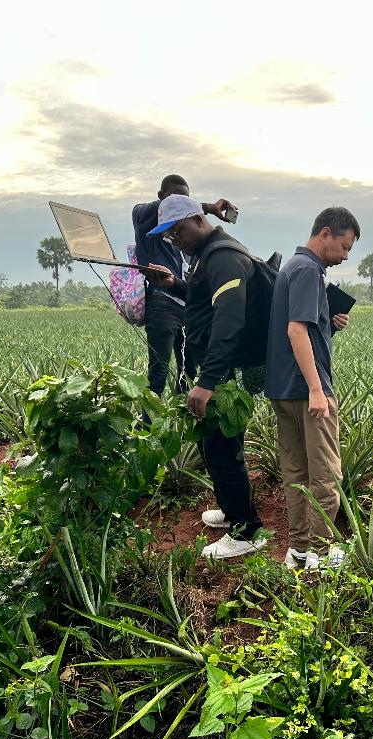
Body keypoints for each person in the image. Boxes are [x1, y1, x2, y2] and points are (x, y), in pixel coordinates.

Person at [142, 194, 269, 559]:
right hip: (217, 370)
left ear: (199, 220)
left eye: (177, 231)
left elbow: (229, 320)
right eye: (168, 235)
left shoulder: (224, 257)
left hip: (225, 374)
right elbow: (205, 304)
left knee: (223, 446)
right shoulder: (205, 257)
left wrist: (208, 381)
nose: (174, 239)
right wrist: (174, 285)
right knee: (212, 443)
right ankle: (232, 513)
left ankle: (248, 530)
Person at [265, 207, 359, 571]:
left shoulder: (292, 267)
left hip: (284, 388)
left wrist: (328, 323)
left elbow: (303, 327)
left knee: (295, 471)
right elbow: (296, 331)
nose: (345, 256)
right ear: (325, 233)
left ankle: (299, 549)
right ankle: (320, 552)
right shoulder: (308, 270)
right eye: (345, 246)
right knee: (325, 472)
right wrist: (317, 390)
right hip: (307, 391)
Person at [132, 175, 234, 397]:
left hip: (184, 299)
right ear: (160, 196)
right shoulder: (143, 214)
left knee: (187, 371)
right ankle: (148, 430)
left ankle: (181, 425)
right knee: (158, 372)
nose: (173, 238)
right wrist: (206, 207)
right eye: (172, 198)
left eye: (184, 200)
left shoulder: (189, 242)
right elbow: (172, 209)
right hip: (162, 302)